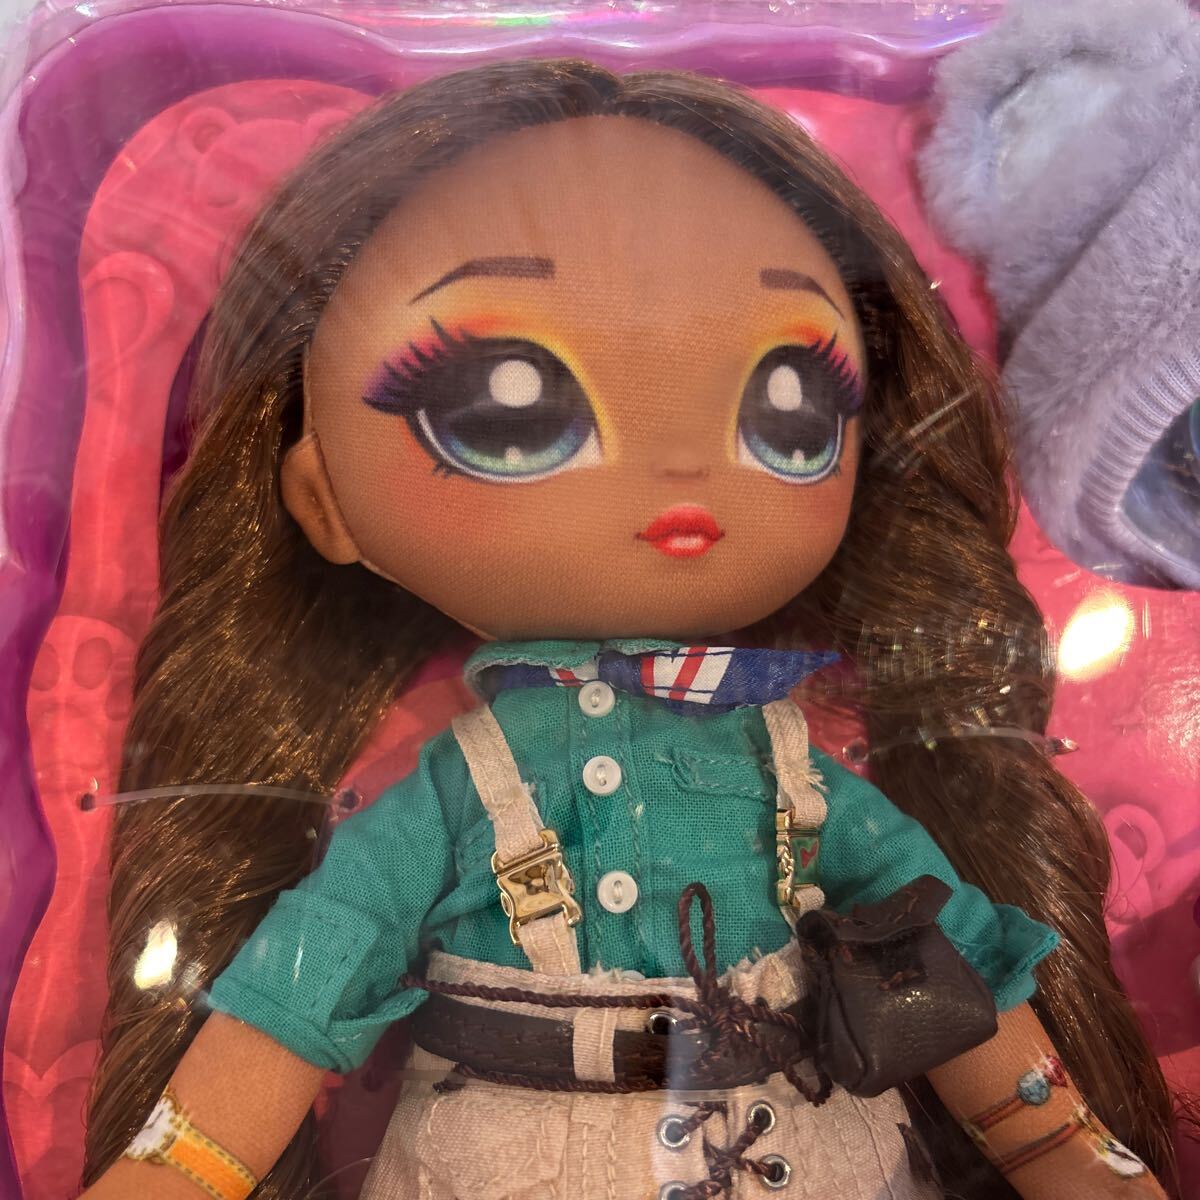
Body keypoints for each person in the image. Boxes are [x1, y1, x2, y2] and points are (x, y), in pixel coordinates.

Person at [79, 60, 1173, 1200]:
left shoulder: (791, 772)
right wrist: (181, 1174)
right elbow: (309, 977)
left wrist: (1060, 1146)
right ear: (324, 502)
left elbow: (940, 954)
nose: (680, 470)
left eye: (788, 403)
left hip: (796, 1144)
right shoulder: (458, 791)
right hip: (506, 1157)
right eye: (506, 405)